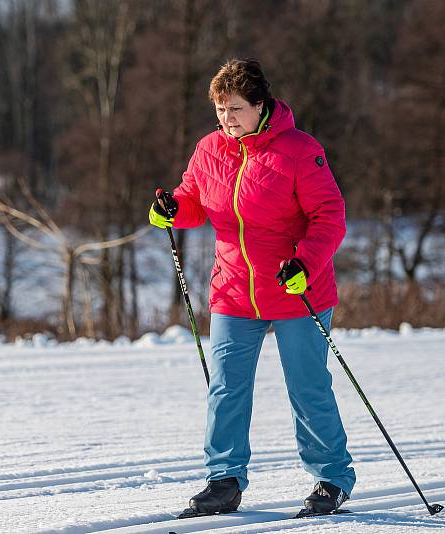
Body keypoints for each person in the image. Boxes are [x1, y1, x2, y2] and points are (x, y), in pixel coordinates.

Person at [149, 58, 355, 517]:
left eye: (236, 108)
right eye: (220, 109)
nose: (227, 119)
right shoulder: (209, 149)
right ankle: (224, 479)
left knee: (307, 387)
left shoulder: (299, 151)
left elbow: (330, 217)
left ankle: (332, 477)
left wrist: (305, 261)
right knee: (226, 387)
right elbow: (193, 201)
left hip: (295, 286)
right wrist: (170, 209)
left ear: (261, 106)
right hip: (234, 289)